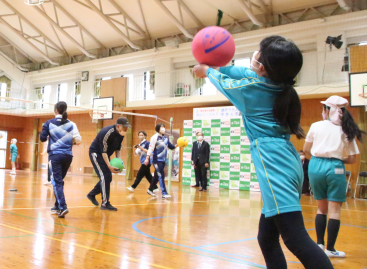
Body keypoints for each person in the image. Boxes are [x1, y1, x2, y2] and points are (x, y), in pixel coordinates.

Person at [193, 35, 333, 269]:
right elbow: (238, 73)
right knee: (266, 238)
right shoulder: (278, 84)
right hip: (285, 158)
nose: (255, 56)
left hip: (274, 163)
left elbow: (224, 83)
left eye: (259, 53)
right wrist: (220, 65)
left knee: (295, 238)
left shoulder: (251, 91)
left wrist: (207, 71)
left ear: (265, 67)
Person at [304, 95, 364, 258]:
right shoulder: (346, 129)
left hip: (315, 165)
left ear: (327, 110)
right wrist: (337, 159)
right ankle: (331, 249)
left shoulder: (315, 126)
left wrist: (317, 162)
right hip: (335, 167)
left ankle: (319, 245)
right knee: (334, 211)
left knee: (321, 208)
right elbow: (352, 159)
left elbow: (306, 150)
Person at [39, 101, 81, 218]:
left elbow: (42, 138)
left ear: (56, 110)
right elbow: (78, 140)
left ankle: (63, 207)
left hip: (55, 156)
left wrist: (46, 133)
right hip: (68, 156)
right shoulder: (72, 124)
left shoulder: (49, 123)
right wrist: (67, 141)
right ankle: (57, 206)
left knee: (57, 182)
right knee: (59, 181)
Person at [86, 117, 130, 211]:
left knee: (108, 178)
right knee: (104, 177)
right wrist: (109, 166)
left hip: (105, 155)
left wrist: (119, 162)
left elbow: (118, 149)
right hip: (96, 154)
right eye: (124, 128)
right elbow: (103, 152)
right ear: (118, 126)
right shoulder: (107, 132)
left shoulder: (121, 134)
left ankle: (92, 194)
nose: (126, 130)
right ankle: (105, 203)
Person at [147, 123, 177, 199]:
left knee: (157, 176)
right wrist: (147, 158)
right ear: (158, 128)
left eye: (164, 127)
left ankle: (150, 189)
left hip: (163, 160)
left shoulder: (166, 138)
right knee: (161, 175)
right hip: (156, 160)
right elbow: (151, 148)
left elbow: (172, 147)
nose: (163, 128)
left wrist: (179, 144)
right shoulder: (154, 137)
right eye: (161, 127)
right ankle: (164, 193)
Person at [127, 130, 157, 195]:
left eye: (142, 135)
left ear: (145, 136)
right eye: (139, 135)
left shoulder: (147, 143)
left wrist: (142, 149)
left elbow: (150, 152)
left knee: (139, 175)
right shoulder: (140, 144)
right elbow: (136, 154)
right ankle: (155, 187)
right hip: (143, 161)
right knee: (148, 176)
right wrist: (135, 149)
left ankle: (133, 187)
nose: (140, 136)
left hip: (146, 162)